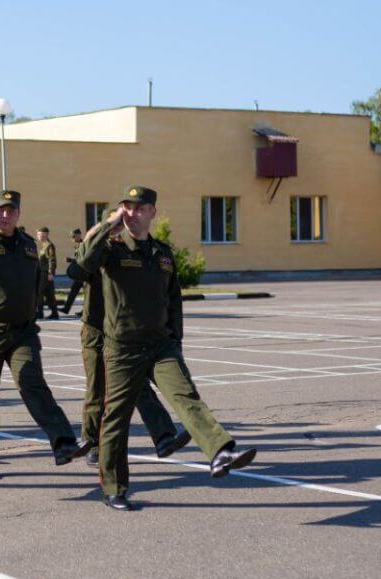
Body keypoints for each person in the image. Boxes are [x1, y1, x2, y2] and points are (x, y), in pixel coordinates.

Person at [79, 185, 257, 511]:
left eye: (139, 207)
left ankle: (220, 452)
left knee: (186, 396)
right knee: (115, 420)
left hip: (160, 345)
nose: (132, 213)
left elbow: (173, 300)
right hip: (122, 348)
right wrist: (108, 226)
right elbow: (83, 263)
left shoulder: (162, 253)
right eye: (126, 207)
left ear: (152, 213)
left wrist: (176, 339)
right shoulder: (111, 248)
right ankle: (114, 488)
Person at [0, 190, 91, 479]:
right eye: (0, 210)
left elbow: (35, 281)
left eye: (10, 210)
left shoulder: (27, 244)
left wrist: (31, 308)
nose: (5, 214)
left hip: (22, 331)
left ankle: (63, 443)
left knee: (33, 383)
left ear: (18, 213)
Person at [66, 228, 191, 467]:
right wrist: (98, 235)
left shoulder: (134, 254)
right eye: (113, 229)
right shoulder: (99, 251)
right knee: (97, 388)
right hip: (97, 330)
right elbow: (77, 270)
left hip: (125, 333)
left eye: (120, 230)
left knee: (139, 386)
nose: (117, 235)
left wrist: (174, 337)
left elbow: (167, 296)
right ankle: (91, 442)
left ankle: (164, 435)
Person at [35, 226, 59, 320]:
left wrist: (50, 273)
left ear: (44, 234)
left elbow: (52, 260)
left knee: (38, 292)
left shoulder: (49, 245)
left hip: (45, 273)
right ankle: (54, 313)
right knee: (49, 294)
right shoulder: (44, 245)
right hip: (44, 273)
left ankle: (40, 313)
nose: (37, 236)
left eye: (39, 234)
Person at [61, 228, 85, 315]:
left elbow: (83, 259)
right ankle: (66, 308)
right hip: (79, 274)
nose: (72, 239)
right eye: (71, 237)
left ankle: (84, 312)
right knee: (73, 291)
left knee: (87, 294)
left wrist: (71, 260)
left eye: (73, 237)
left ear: (79, 235)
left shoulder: (84, 245)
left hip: (84, 274)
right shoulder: (78, 245)